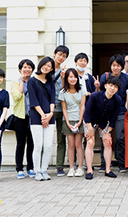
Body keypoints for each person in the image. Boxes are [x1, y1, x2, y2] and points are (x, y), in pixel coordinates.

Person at [99, 54, 128, 173]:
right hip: (106, 112)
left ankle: (121, 163)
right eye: (114, 65)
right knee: (105, 137)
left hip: (121, 112)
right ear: (111, 66)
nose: (116, 68)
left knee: (120, 137)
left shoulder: (127, 79)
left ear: (122, 66)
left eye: (118, 65)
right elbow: (101, 94)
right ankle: (104, 164)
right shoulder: (105, 76)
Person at [84, 76, 122, 179]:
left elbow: (114, 118)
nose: (112, 88)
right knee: (90, 142)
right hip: (89, 121)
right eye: (110, 85)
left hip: (104, 122)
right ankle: (89, 170)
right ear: (105, 86)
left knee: (107, 142)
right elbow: (86, 113)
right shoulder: (95, 96)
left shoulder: (117, 100)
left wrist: (108, 132)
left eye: (115, 86)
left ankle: (108, 169)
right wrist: (90, 128)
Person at [27, 57, 56, 181]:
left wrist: (50, 114)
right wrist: (43, 115)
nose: (46, 67)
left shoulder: (51, 82)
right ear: (41, 65)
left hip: (50, 117)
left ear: (52, 69)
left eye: (49, 66)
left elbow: (52, 99)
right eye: (45, 64)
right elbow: (33, 100)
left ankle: (44, 170)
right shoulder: (32, 81)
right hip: (36, 117)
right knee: (38, 145)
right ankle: (37, 171)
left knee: (48, 145)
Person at [59, 68, 86, 177]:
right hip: (68, 120)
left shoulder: (82, 90)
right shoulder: (63, 92)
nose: (73, 79)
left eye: (75, 77)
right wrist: (68, 122)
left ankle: (80, 167)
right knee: (70, 145)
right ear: (66, 78)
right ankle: (71, 168)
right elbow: (64, 109)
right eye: (70, 77)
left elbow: (82, 106)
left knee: (78, 144)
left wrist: (80, 121)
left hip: (79, 119)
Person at [10, 59, 36, 179]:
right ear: (20, 69)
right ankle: (19, 168)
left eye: (29, 67)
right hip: (20, 117)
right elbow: (17, 96)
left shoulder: (34, 82)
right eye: (25, 67)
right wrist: (22, 80)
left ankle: (30, 167)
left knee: (31, 143)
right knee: (21, 143)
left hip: (32, 117)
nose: (27, 69)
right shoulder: (15, 83)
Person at [53, 45, 70, 177]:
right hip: (48, 109)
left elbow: (67, 89)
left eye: (64, 56)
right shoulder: (46, 68)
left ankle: (59, 166)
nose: (61, 57)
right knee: (43, 139)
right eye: (60, 54)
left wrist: (64, 77)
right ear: (54, 54)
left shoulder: (66, 71)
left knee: (61, 139)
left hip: (62, 108)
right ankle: (40, 165)